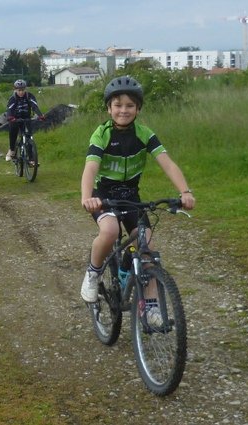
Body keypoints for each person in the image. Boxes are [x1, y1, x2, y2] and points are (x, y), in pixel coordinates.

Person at [79, 75, 196, 324]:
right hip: (104, 197)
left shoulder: (144, 134)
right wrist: (87, 197)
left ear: (138, 108)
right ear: (109, 108)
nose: (123, 110)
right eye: (118, 105)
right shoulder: (102, 134)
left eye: (130, 105)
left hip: (131, 197)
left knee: (147, 248)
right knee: (110, 231)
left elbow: (167, 163)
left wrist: (185, 191)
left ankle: (150, 306)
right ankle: (93, 273)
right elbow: (90, 168)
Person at [5, 79, 45, 161]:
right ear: (15, 90)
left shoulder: (29, 96)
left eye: (22, 90)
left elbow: (34, 106)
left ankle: (31, 159)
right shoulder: (12, 98)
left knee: (29, 136)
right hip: (15, 119)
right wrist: (10, 117)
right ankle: (12, 150)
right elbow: (9, 109)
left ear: (25, 89)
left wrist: (40, 115)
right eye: (19, 90)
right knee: (13, 131)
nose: (21, 92)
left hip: (27, 119)